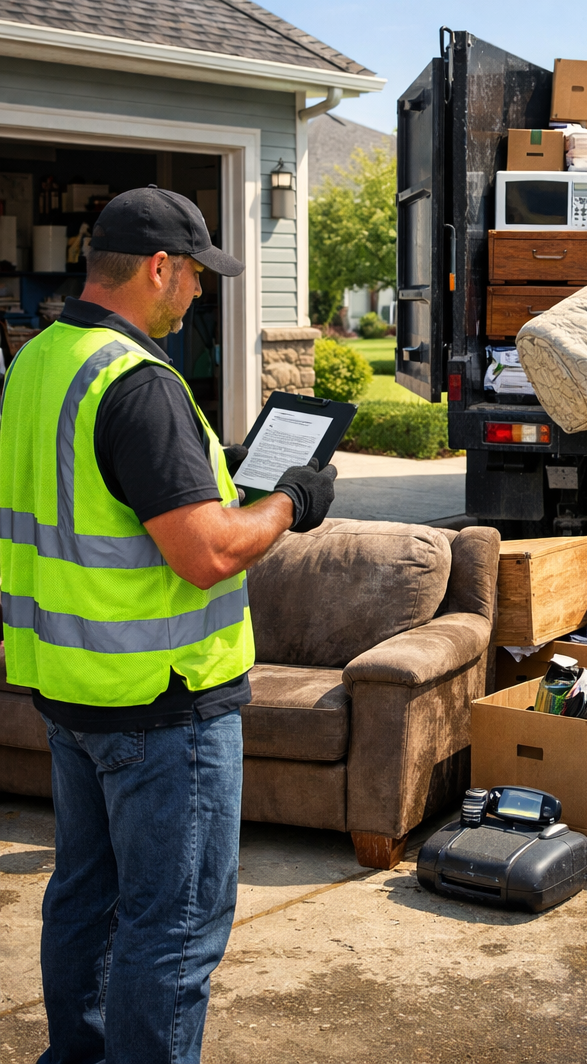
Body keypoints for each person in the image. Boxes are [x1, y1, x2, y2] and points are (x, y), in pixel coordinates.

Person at [0, 186, 339, 1064]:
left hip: (70, 690)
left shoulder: (38, 360)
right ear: (158, 268)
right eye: (194, 275)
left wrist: (212, 473)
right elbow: (207, 555)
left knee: (85, 895)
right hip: (164, 704)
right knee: (175, 928)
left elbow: (100, 498)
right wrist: (291, 502)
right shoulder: (138, 382)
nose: (198, 292)